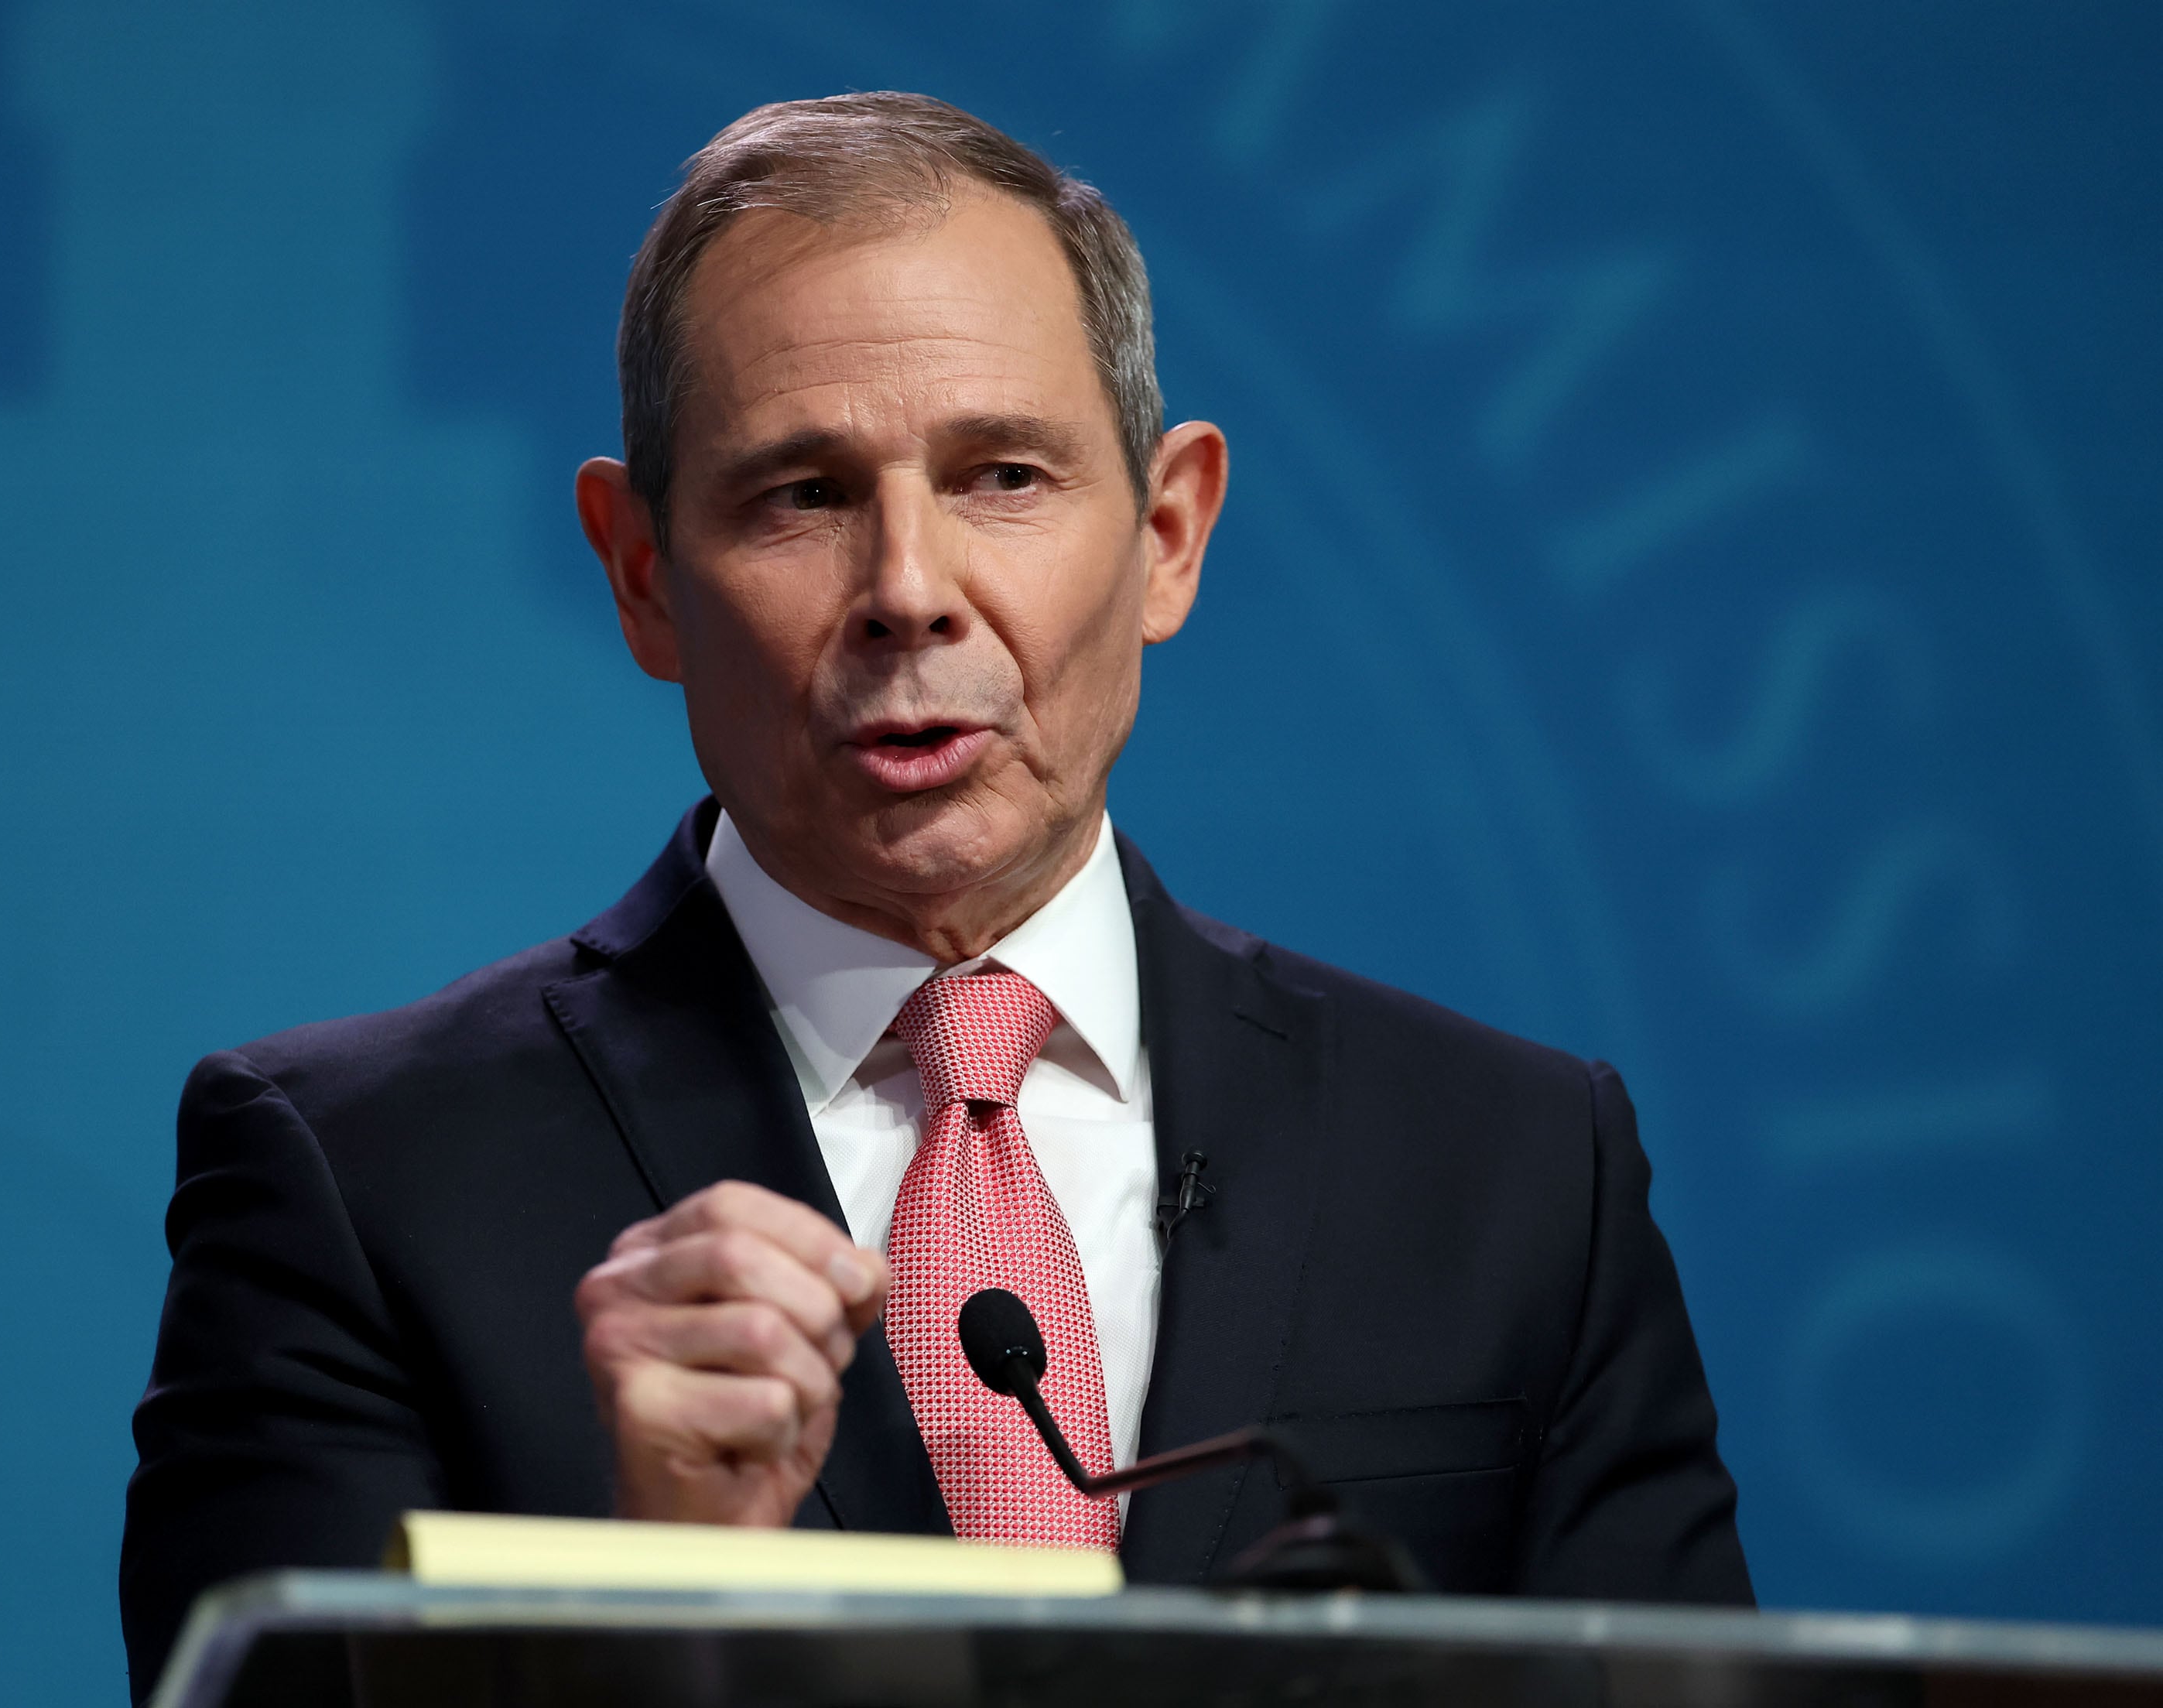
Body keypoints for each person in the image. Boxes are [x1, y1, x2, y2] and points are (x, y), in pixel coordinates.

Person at [119, 91, 1751, 1703]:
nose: (909, 593)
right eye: (803, 496)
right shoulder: (359, 1181)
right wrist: (661, 1596)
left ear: (1170, 533)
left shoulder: (1520, 1171)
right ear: (641, 574)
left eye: (1005, 477)